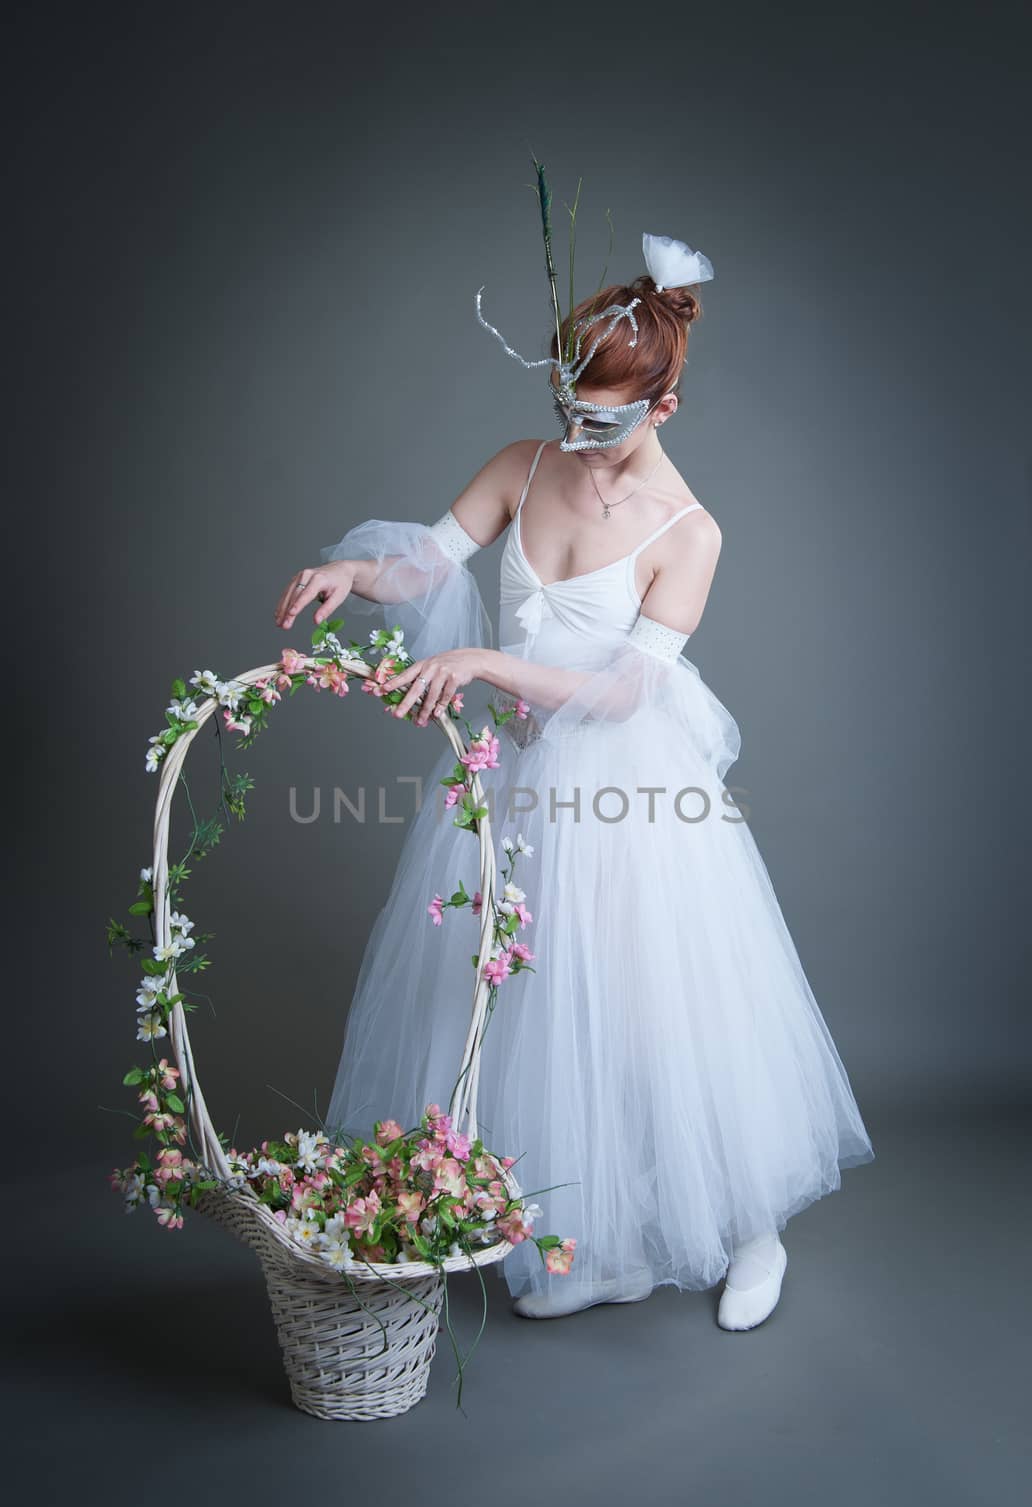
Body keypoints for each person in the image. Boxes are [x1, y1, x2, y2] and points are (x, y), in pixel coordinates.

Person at [273, 180, 875, 1328]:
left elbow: (619, 689)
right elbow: (431, 563)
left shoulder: (687, 534)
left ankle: (750, 1228)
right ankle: (586, 1236)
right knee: (525, 1002)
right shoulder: (524, 462)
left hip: (628, 790)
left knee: (658, 1008)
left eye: (603, 418)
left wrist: (493, 669)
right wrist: (360, 573)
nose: (576, 436)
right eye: (567, 406)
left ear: (667, 407)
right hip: (520, 783)